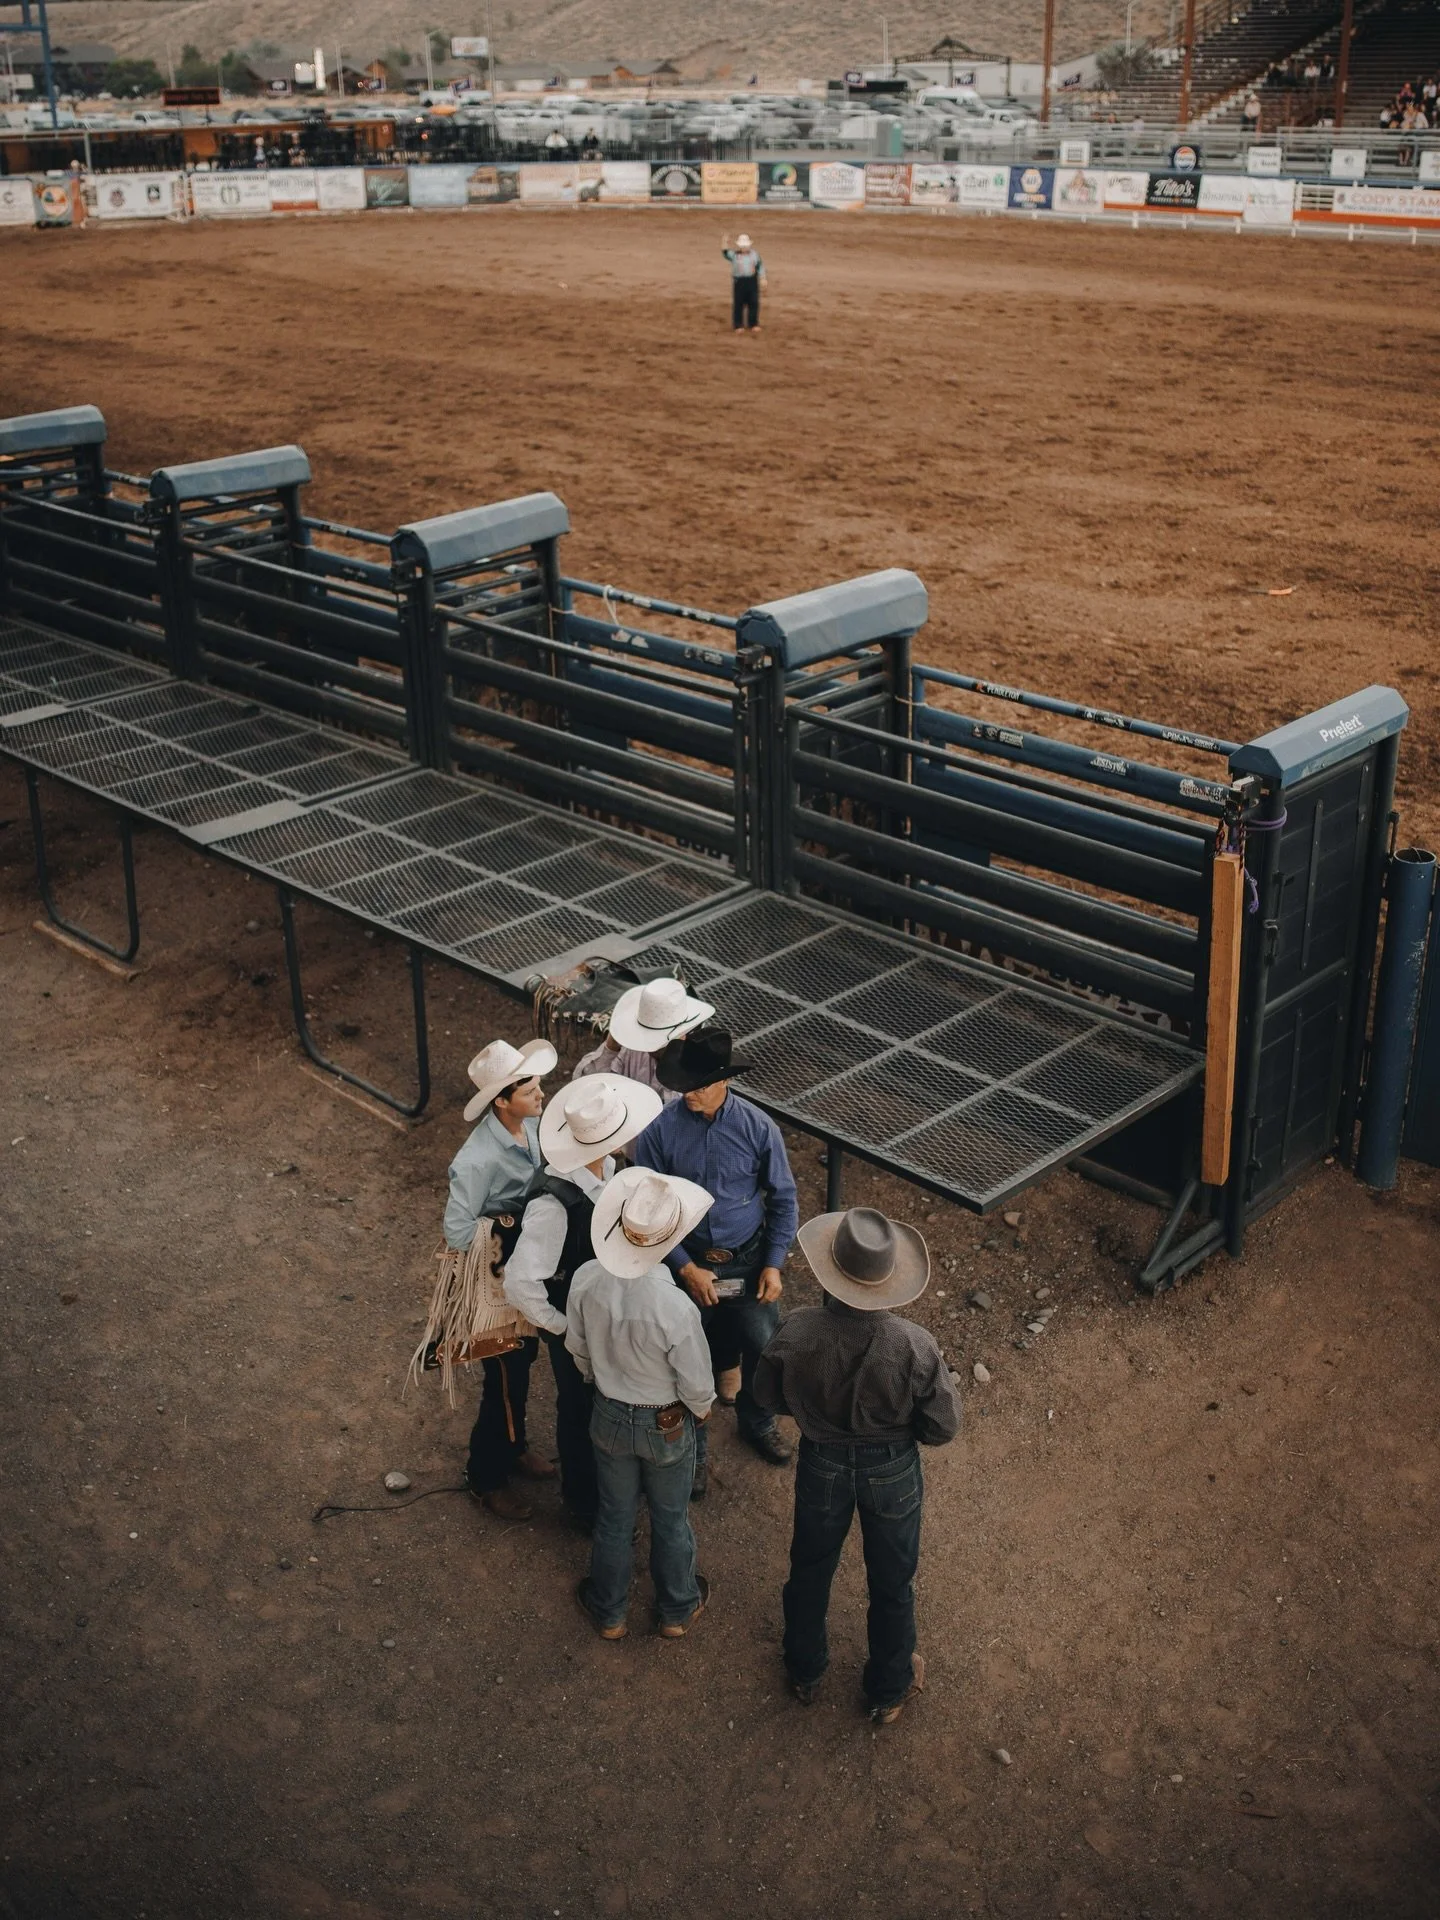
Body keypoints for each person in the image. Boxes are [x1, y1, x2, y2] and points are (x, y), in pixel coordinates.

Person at [753, 1206, 961, 1726]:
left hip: (821, 1464)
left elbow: (766, 1396)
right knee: (892, 1582)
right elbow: (943, 1426)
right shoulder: (914, 1344)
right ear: (889, 1279)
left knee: (810, 1569)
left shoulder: (797, 1330)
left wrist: (812, 1412)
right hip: (892, 1470)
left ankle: (804, 1670)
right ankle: (888, 1689)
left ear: (831, 1268)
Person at [632, 1023, 798, 1495]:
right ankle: (695, 1449)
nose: (689, 1093)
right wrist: (684, 1267)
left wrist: (773, 1263)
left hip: (748, 1260)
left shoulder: (758, 1128)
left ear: (725, 1080)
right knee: (686, 1358)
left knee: (764, 1347)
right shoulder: (660, 1130)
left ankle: (757, 1421)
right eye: (685, 1084)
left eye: (700, 1085)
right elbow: (645, 1206)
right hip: (687, 1262)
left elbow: (784, 1199)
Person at [502, 1073, 662, 1531]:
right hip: (575, 1326)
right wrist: (562, 1329)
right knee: (578, 1411)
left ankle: (611, 1488)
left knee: (608, 1402)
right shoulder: (553, 1205)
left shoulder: (606, 1169)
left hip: (606, 1313)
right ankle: (584, 1504)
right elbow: (520, 1282)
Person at [567, 1169, 717, 1639]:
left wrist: (598, 1377)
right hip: (665, 1420)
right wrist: (701, 1408)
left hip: (609, 1411)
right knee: (671, 1519)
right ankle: (676, 1609)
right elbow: (696, 1381)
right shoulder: (675, 1306)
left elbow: (578, 1349)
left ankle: (609, 1611)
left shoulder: (586, 1279)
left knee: (615, 1516)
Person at [444, 1036, 558, 1522]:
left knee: (522, 1362)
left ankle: (515, 1446)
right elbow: (456, 1229)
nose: (541, 1094)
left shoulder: (529, 1128)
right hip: (497, 1273)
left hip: (524, 1265)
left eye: (538, 1086)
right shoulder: (476, 1160)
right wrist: (511, 1223)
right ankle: (485, 1477)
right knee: (504, 1376)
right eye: (530, 1090)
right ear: (502, 1101)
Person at [574, 975, 714, 1098]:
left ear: (683, 1034)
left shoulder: (697, 1068)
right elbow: (584, 1084)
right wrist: (611, 1047)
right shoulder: (634, 1047)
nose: (649, 1047)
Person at [721, 231, 766, 334]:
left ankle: (753, 323)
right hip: (739, 282)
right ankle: (738, 325)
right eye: (742, 246)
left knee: (753, 303)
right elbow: (725, 252)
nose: (744, 248)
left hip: (752, 281)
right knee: (738, 304)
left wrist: (763, 278)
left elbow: (760, 266)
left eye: (746, 246)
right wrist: (724, 242)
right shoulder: (735, 255)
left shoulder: (754, 255)